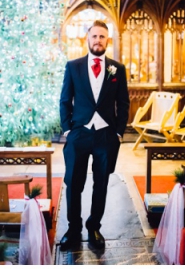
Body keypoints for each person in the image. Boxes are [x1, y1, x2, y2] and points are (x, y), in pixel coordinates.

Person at [59, 20, 130, 251]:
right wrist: (68, 130)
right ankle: (73, 229)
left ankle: (94, 228)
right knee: (74, 184)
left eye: (102, 36)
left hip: (106, 136)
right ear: (87, 39)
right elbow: (64, 100)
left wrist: (118, 132)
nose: (98, 40)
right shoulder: (73, 66)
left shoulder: (117, 69)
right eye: (94, 36)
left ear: (107, 40)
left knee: (101, 184)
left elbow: (124, 102)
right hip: (79, 133)